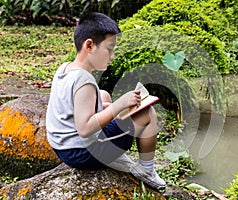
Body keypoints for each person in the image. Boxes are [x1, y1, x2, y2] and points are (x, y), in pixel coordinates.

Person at [45, 12, 166, 190]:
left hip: (62, 146)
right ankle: (146, 170)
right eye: (109, 49)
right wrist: (119, 105)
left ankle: (115, 149)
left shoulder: (65, 69)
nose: (112, 56)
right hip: (82, 153)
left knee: (103, 95)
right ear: (89, 45)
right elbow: (85, 129)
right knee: (147, 112)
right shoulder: (84, 81)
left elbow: (74, 106)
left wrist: (109, 106)